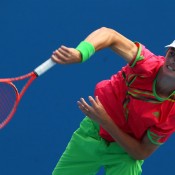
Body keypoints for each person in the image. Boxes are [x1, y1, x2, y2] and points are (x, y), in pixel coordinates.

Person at [51, 27, 175, 175]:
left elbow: (141, 152)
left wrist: (106, 121)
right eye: (172, 53)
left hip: (126, 153)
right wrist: (81, 52)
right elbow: (109, 35)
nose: (173, 60)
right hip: (93, 133)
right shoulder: (146, 63)